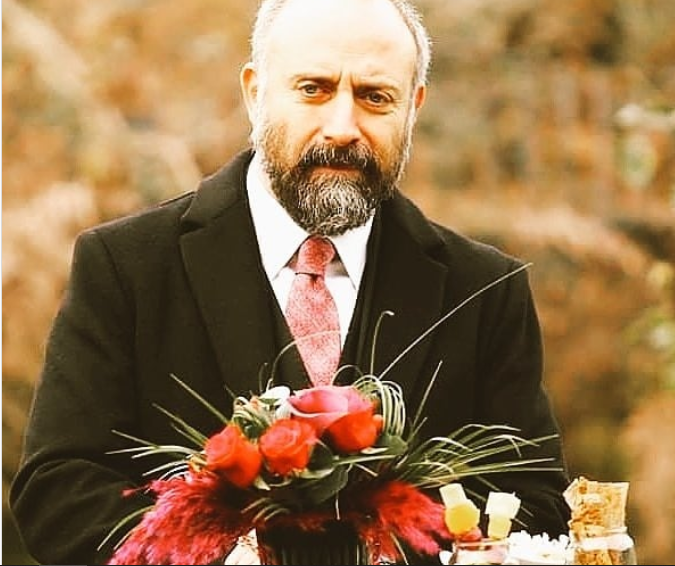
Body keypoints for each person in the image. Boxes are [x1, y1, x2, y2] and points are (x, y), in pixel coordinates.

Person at [10, 0, 571, 564]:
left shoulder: (486, 290)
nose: (342, 127)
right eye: (313, 89)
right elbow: (59, 491)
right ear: (255, 92)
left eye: (375, 97)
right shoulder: (125, 266)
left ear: (414, 106)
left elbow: (536, 503)